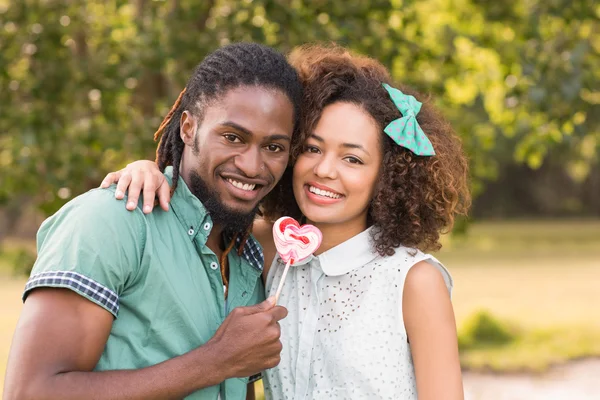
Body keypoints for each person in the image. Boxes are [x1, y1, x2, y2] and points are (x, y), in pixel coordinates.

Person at [103, 44, 470, 399]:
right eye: (312, 148)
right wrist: (150, 170)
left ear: (387, 176)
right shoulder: (266, 252)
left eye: (352, 159)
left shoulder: (414, 281)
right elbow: (197, 207)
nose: (324, 170)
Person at [4, 42, 304, 400]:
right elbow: (31, 392)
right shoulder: (111, 222)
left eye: (273, 147)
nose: (253, 166)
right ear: (188, 128)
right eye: (232, 137)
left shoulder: (247, 256)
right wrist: (217, 360)